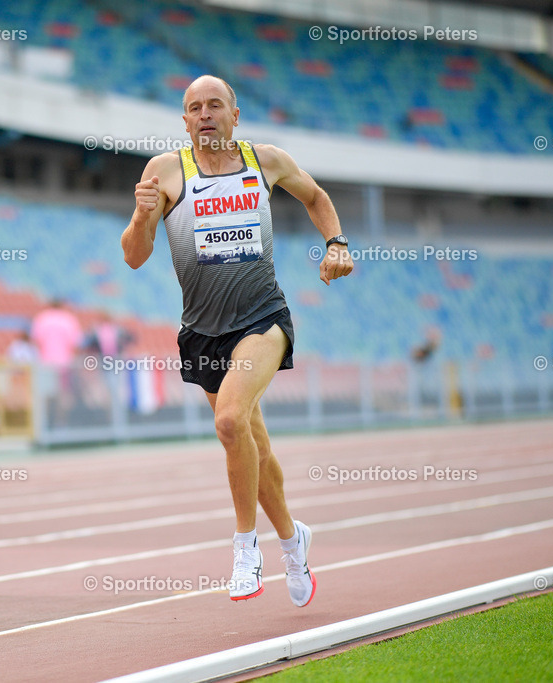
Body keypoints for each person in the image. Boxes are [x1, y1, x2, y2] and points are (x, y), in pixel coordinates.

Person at [121, 75, 353, 604]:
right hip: (203, 332)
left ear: (234, 114)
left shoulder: (265, 161)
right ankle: (294, 543)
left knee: (228, 422)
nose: (204, 114)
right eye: (193, 107)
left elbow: (316, 196)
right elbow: (135, 256)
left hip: (262, 319)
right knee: (254, 445)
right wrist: (140, 215)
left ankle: (246, 547)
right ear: (184, 121)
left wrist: (335, 242)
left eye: (214, 105)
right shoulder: (163, 172)